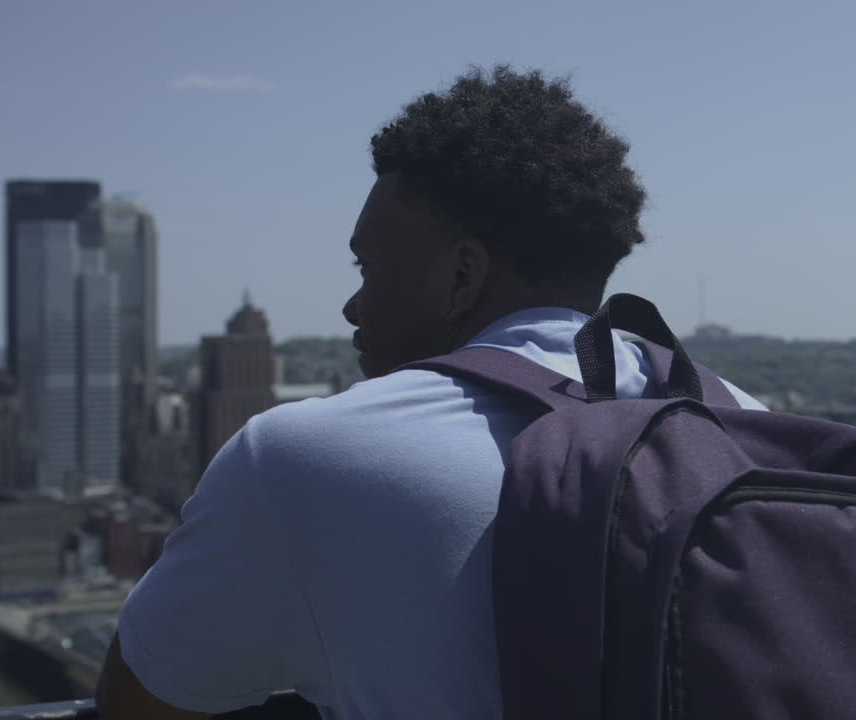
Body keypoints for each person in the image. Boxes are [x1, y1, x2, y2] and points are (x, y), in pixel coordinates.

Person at [95, 66, 763, 720]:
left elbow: (143, 699)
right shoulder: (751, 424)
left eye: (368, 269)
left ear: (462, 276)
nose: (352, 307)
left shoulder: (307, 459)